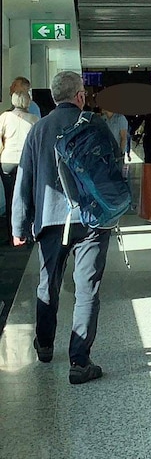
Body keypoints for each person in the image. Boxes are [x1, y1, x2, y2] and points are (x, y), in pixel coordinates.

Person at [12, 71, 116, 384]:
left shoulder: (39, 128)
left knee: (48, 284)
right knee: (87, 291)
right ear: (80, 96)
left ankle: (44, 345)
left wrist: (19, 223)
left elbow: (25, 178)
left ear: (55, 98)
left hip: (51, 220)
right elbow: (113, 171)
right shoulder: (95, 125)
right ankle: (79, 362)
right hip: (91, 220)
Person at [0, 91, 39, 243]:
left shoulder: (4, 117)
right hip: (26, 163)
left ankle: (12, 235)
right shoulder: (34, 120)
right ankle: (28, 232)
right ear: (28, 103)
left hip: (7, 163)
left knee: (11, 198)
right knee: (27, 197)